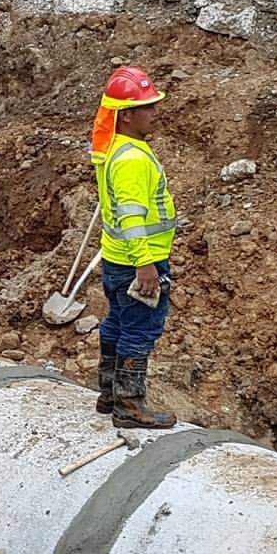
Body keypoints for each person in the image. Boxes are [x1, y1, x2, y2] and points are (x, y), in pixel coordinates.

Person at [90, 66, 179, 430]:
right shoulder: (132, 159)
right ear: (126, 115)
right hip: (137, 262)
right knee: (140, 330)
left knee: (117, 322)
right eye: (147, 107)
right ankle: (129, 406)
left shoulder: (115, 148)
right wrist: (146, 264)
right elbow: (130, 216)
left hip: (116, 260)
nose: (154, 112)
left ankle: (109, 393)